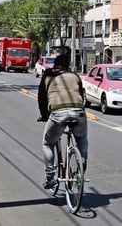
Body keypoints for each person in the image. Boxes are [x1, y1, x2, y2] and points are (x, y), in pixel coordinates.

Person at [37, 54, 88, 189]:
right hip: (79, 112)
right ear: (68, 65)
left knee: (47, 143)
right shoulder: (75, 76)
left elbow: (42, 99)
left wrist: (43, 115)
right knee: (82, 137)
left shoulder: (47, 76)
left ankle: (50, 178)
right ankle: (82, 164)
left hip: (58, 113)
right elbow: (81, 97)